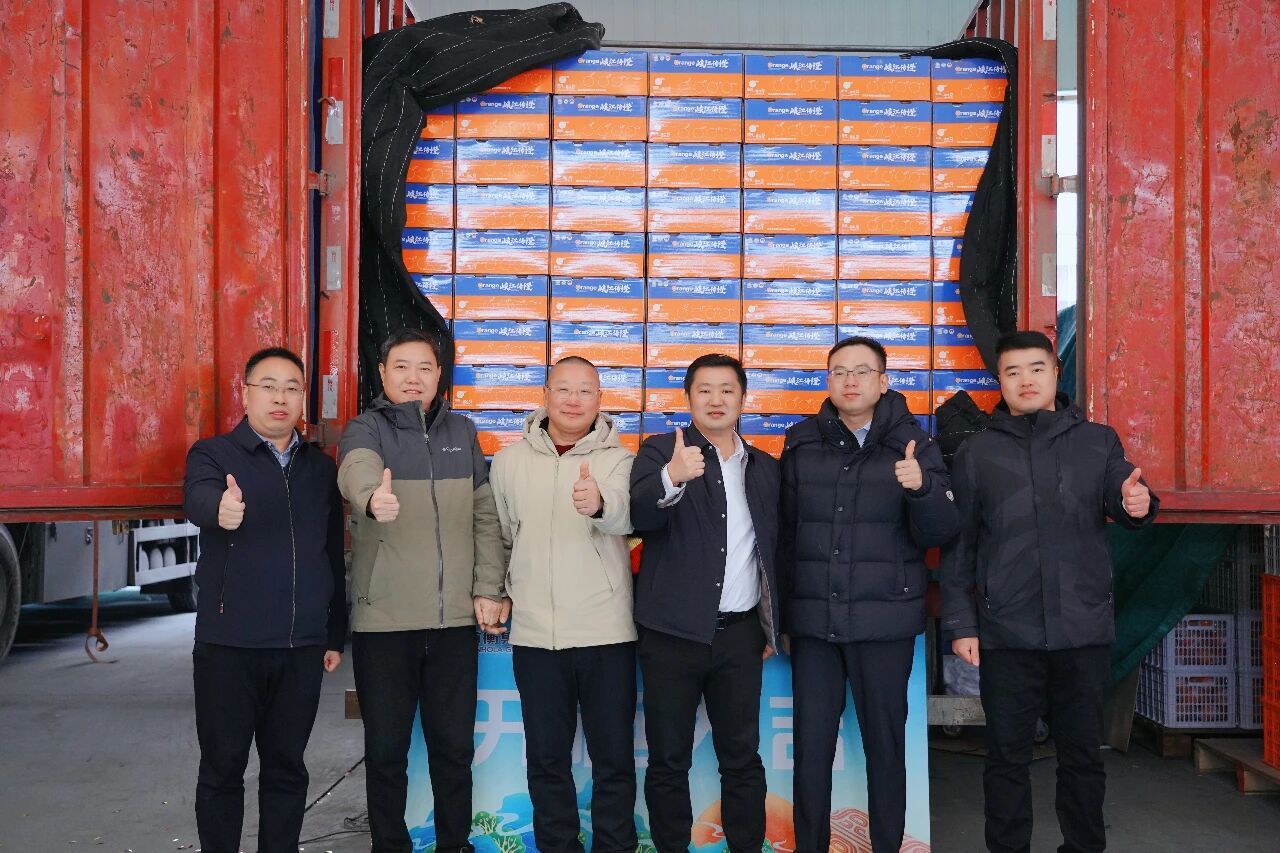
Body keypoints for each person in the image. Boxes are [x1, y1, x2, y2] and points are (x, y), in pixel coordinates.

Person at [941, 330, 1158, 853]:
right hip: (1006, 631)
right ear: (1000, 382)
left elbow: (1125, 491)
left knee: (1082, 756)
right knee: (1006, 757)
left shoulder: (1096, 441)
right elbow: (960, 546)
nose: (1026, 381)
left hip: (1081, 628)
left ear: (1056, 374)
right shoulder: (976, 452)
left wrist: (1138, 504)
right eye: (1012, 372)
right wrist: (962, 623)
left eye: (1036, 369)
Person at [779, 336, 960, 853]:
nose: (850, 381)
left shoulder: (915, 446)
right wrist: (782, 618)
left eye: (862, 371)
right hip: (814, 625)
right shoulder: (801, 442)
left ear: (883, 381)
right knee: (811, 750)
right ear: (828, 381)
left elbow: (941, 531)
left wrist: (922, 489)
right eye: (839, 372)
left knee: (885, 748)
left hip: (884, 624)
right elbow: (784, 535)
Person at [337, 328, 506, 853]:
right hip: (385, 624)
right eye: (402, 367)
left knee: (453, 751)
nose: (414, 378)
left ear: (439, 376)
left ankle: (455, 845)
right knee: (386, 753)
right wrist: (372, 499)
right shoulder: (365, 429)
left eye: (425, 368)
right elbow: (356, 472)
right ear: (383, 373)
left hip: (453, 623)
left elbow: (484, 515)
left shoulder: (462, 431)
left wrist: (488, 586)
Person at [182, 346, 347, 853]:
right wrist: (220, 509)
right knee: (222, 769)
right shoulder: (213, 455)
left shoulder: (319, 469)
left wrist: (334, 633)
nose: (281, 398)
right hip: (229, 646)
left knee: (287, 769)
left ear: (303, 398)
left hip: (300, 647)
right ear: (246, 393)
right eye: (269, 386)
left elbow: (332, 554)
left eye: (292, 388)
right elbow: (198, 498)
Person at [628, 353, 780, 853]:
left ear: (743, 398)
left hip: (739, 637)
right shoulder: (659, 451)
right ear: (688, 398)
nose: (716, 400)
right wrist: (672, 477)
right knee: (668, 759)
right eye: (705, 390)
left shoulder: (764, 468)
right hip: (671, 635)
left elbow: (776, 551)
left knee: (742, 758)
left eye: (727, 390)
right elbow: (638, 516)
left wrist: (770, 625)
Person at [489, 356, 638, 853]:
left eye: (585, 391)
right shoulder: (508, 463)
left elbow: (627, 519)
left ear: (600, 400)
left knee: (612, 758)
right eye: (564, 389)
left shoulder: (621, 461)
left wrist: (599, 504)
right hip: (536, 634)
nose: (574, 401)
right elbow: (501, 537)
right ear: (545, 395)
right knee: (547, 759)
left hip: (606, 631)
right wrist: (499, 589)